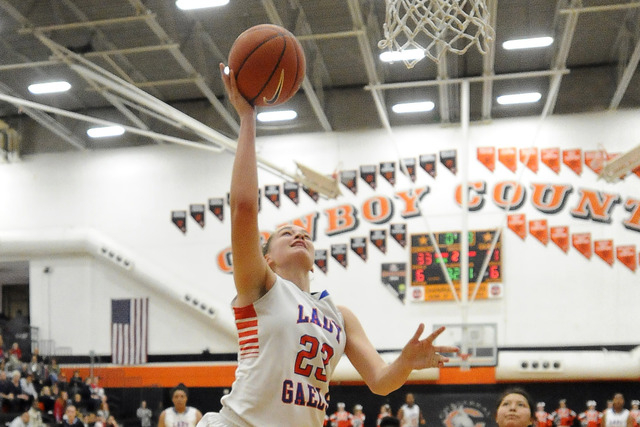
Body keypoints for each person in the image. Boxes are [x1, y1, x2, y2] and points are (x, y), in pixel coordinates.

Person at [196, 61, 458, 427]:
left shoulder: (340, 315)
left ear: (315, 259)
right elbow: (242, 208)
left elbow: (381, 381)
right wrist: (247, 118)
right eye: (286, 233)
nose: (299, 233)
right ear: (267, 259)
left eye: (304, 232)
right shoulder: (261, 288)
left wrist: (405, 363)